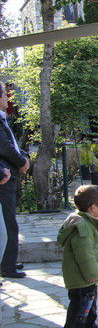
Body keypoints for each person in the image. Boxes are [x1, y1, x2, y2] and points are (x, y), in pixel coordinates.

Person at [57, 185, 98, 328]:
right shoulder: (83, 227)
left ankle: (88, 326)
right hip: (82, 276)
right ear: (93, 207)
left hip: (87, 277)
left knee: (90, 301)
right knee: (81, 304)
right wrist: (91, 273)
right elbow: (84, 254)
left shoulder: (88, 221)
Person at [0, 81, 29, 278]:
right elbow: (4, 147)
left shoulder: (3, 118)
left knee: (9, 221)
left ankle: (9, 260)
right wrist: (21, 162)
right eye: (4, 94)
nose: (7, 97)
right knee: (8, 221)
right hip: (4, 176)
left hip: (8, 173)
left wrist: (23, 156)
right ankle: (7, 265)